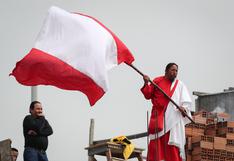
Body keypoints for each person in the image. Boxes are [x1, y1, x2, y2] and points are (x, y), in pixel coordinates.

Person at [141, 63, 192, 161]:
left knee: (172, 146)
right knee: (156, 145)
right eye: (172, 70)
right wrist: (145, 83)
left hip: (173, 119)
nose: (175, 73)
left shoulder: (180, 85)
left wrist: (184, 109)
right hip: (158, 117)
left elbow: (186, 102)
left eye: (176, 71)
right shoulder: (157, 81)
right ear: (166, 71)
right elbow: (147, 95)